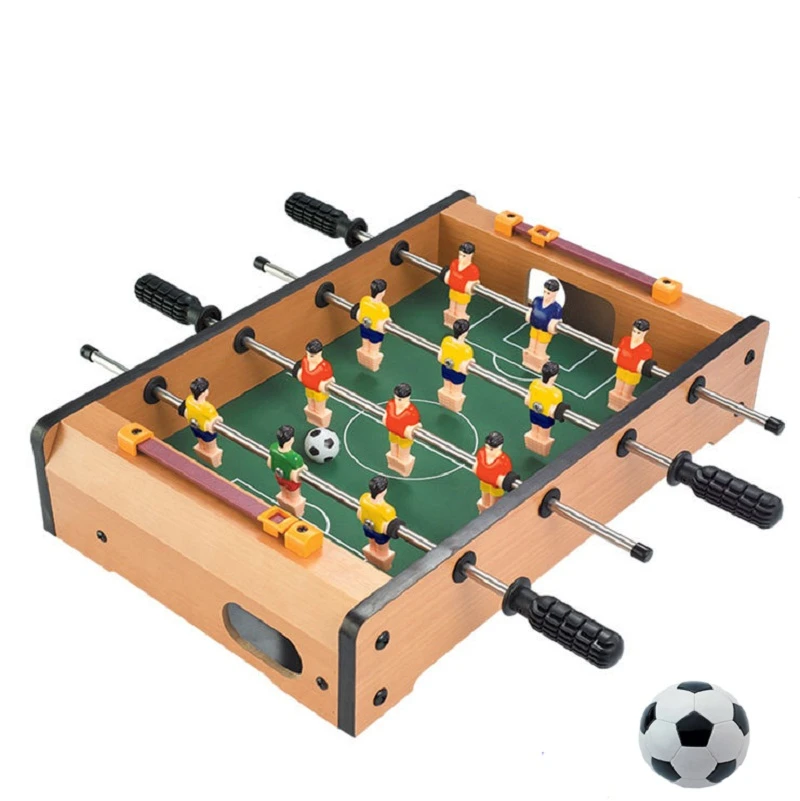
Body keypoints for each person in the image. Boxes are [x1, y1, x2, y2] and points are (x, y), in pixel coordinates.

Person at [608, 319, 653, 410]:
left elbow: (640, 365)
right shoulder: (625, 340)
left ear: (645, 333)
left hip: (632, 374)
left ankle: (623, 408)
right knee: (617, 390)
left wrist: (631, 365)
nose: (635, 334)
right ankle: (613, 404)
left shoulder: (646, 349)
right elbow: (618, 353)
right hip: (621, 369)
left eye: (638, 333)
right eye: (634, 331)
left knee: (626, 394)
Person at [357, 475, 400, 570]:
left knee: (372, 546)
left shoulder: (364, 498)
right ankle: (384, 566)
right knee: (383, 553)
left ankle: (370, 558)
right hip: (380, 533)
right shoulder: (388, 510)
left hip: (367, 527)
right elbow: (392, 521)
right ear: (384, 491)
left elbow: (360, 511)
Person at [180, 376, 223, 467]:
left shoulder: (189, 400)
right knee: (212, 450)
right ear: (204, 392)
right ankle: (216, 463)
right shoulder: (207, 408)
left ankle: (202, 452)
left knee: (201, 444)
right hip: (206, 430)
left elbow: (185, 409)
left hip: (194, 427)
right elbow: (216, 419)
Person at [524, 361, 563, 457]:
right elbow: (554, 410)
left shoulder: (534, 383)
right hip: (546, 417)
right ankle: (542, 449)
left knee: (534, 430)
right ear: (554, 376)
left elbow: (528, 399)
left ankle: (532, 442)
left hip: (533, 412)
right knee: (544, 436)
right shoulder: (556, 393)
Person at [523, 278, 563, 371]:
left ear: (555, 294)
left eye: (548, 293)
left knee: (540, 350)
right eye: (544, 291)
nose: (545, 295)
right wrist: (529, 315)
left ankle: (538, 365)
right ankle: (528, 361)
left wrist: (553, 326)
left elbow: (556, 322)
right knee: (531, 346)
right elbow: (531, 310)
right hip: (534, 327)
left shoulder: (556, 308)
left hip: (545, 331)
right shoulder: (537, 300)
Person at [266, 424, 307, 516]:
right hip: (291, 482)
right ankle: (298, 514)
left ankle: (284, 507)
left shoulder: (273, 448)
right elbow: (302, 469)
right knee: (295, 500)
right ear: (291, 440)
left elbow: (270, 462)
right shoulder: (295, 458)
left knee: (284, 494)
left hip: (279, 477)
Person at [382, 382, 421, 476]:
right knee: (393, 451)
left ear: (408, 398)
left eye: (400, 399)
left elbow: (417, 425)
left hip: (404, 437)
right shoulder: (391, 404)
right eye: (396, 398)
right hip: (393, 433)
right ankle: (393, 465)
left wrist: (411, 429)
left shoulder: (411, 412)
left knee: (403, 456)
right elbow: (387, 415)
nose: (397, 401)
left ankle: (403, 471)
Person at [472, 431, 515, 513]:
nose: (488, 451)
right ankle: (484, 506)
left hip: (495, 486)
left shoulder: (504, 461)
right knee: (485, 496)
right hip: (484, 482)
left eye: (491, 449)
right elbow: (477, 465)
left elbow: (504, 475)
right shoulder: (481, 453)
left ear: (500, 447)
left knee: (494, 503)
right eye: (487, 447)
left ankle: (493, 513)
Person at [437, 318, 475, 412]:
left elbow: (440, 356)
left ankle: (444, 402)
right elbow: (463, 367)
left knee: (446, 388)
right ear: (465, 333)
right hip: (457, 373)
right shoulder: (467, 349)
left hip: (446, 368)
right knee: (456, 393)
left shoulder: (446, 340)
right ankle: (455, 407)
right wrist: (472, 361)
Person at [296, 338, 334, 426]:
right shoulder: (305, 361)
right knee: (311, 406)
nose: (309, 356)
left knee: (319, 410)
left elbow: (330, 379)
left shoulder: (325, 366)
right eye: (308, 354)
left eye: (312, 355)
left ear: (319, 353)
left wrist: (325, 384)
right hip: (309, 389)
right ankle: (312, 419)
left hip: (319, 392)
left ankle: (322, 424)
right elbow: (303, 373)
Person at [355, 278, 391, 371]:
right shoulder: (383, 309)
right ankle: (373, 366)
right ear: (382, 292)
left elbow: (361, 314)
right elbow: (385, 321)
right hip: (375, 332)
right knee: (374, 352)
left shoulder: (364, 300)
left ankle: (363, 361)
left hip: (364, 327)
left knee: (365, 348)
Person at [442, 242, 480, 326]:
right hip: (453, 291)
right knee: (451, 310)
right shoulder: (454, 263)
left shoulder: (473, 270)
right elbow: (450, 276)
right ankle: (449, 323)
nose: (461, 257)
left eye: (464, 256)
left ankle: (460, 327)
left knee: (459, 313)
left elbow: (473, 284)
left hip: (463, 295)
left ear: (471, 255)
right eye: (460, 254)